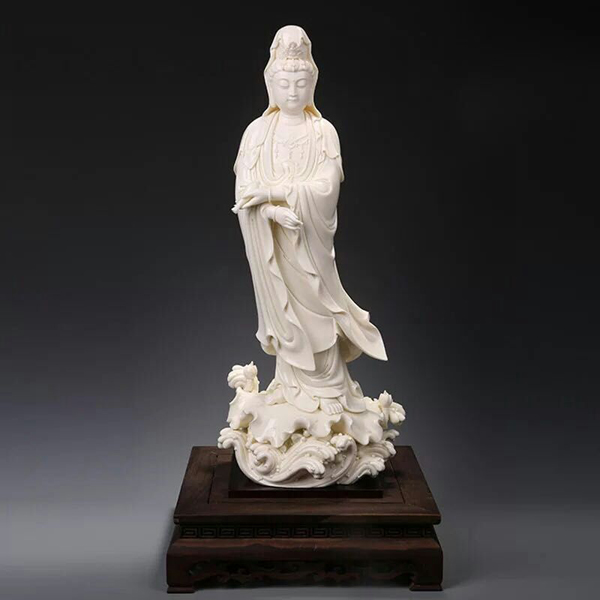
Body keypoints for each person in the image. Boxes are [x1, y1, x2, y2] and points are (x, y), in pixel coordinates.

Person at [232, 25, 387, 416]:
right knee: (287, 313)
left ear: (312, 84)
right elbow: (244, 195)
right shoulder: (256, 133)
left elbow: (326, 188)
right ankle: (290, 389)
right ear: (270, 84)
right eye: (284, 83)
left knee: (319, 305)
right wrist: (271, 211)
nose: (292, 92)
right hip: (275, 239)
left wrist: (275, 192)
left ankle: (331, 388)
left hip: (310, 241)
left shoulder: (323, 132)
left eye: (301, 83)